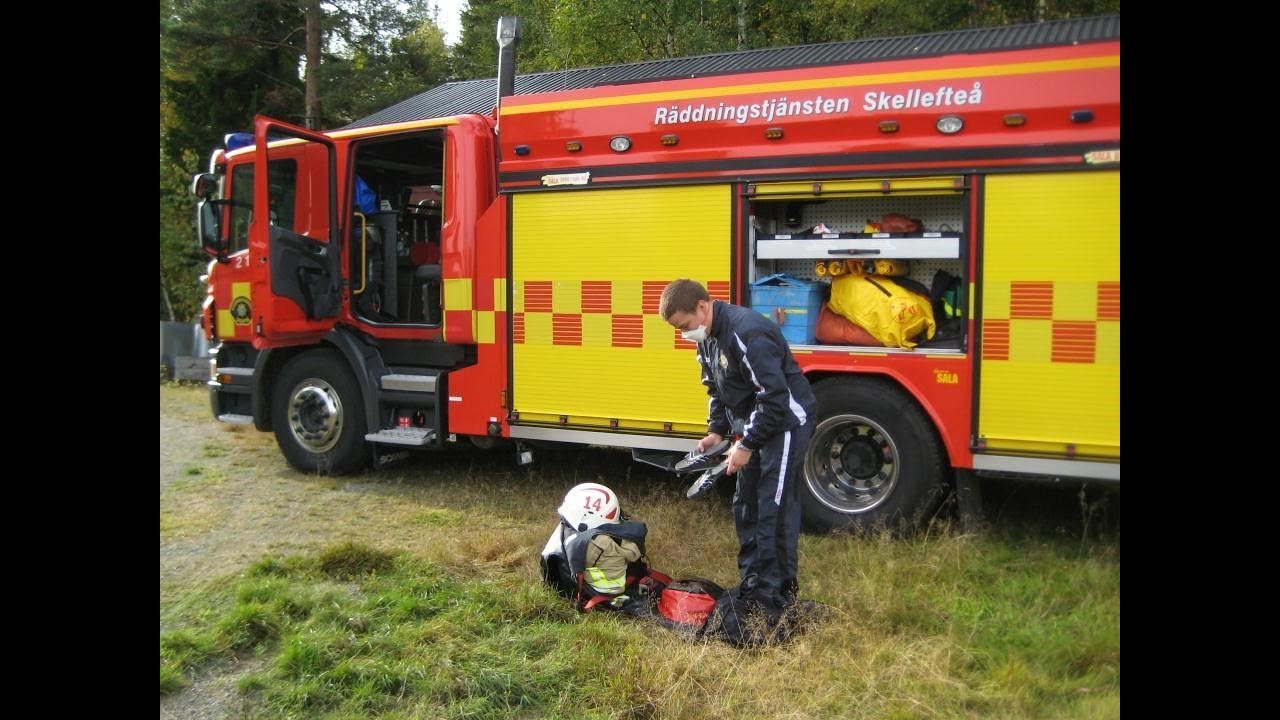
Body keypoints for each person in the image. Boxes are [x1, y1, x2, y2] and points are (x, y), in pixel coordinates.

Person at [659, 278, 816, 611]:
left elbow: (774, 399)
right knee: (746, 504)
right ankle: (753, 582)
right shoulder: (706, 338)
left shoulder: (748, 333)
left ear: (702, 307)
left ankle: (776, 594)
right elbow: (716, 387)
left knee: (773, 506)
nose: (684, 333)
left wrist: (746, 445)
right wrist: (717, 431)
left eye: (684, 325)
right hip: (755, 425)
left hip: (786, 422)